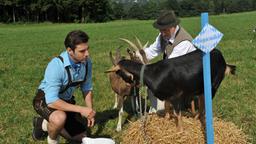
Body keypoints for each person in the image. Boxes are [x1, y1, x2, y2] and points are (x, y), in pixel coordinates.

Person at [32, 30, 96, 144]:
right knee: (59, 119)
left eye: (87, 49)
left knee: (82, 137)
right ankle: (52, 141)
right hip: (45, 100)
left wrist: (90, 111)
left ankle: (42, 124)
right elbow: (51, 101)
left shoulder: (87, 62)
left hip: (66, 101)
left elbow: (87, 88)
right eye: (82, 51)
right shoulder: (56, 65)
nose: (87, 54)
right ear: (70, 51)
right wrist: (81, 109)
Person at [142, 11, 197, 112]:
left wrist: (151, 71)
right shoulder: (163, 35)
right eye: (160, 30)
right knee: (150, 79)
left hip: (188, 77)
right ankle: (156, 107)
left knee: (155, 80)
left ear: (173, 26)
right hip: (173, 71)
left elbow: (170, 65)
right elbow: (153, 50)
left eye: (165, 30)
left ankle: (161, 110)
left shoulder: (184, 42)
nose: (162, 33)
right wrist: (138, 56)